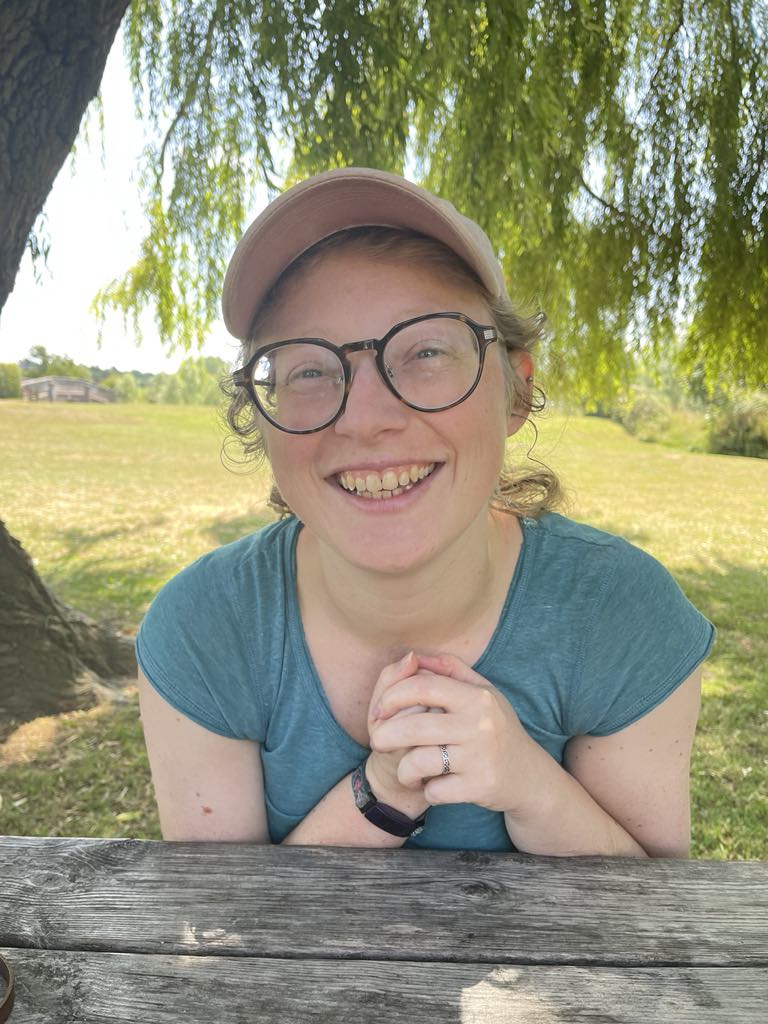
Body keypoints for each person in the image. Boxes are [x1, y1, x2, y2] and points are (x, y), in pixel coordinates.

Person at [136, 167, 714, 856]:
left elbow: (653, 906)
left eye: (428, 351)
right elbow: (224, 914)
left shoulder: (623, 614)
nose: (365, 418)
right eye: (309, 369)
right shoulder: (204, 628)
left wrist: (534, 788)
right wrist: (382, 792)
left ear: (516, 389)